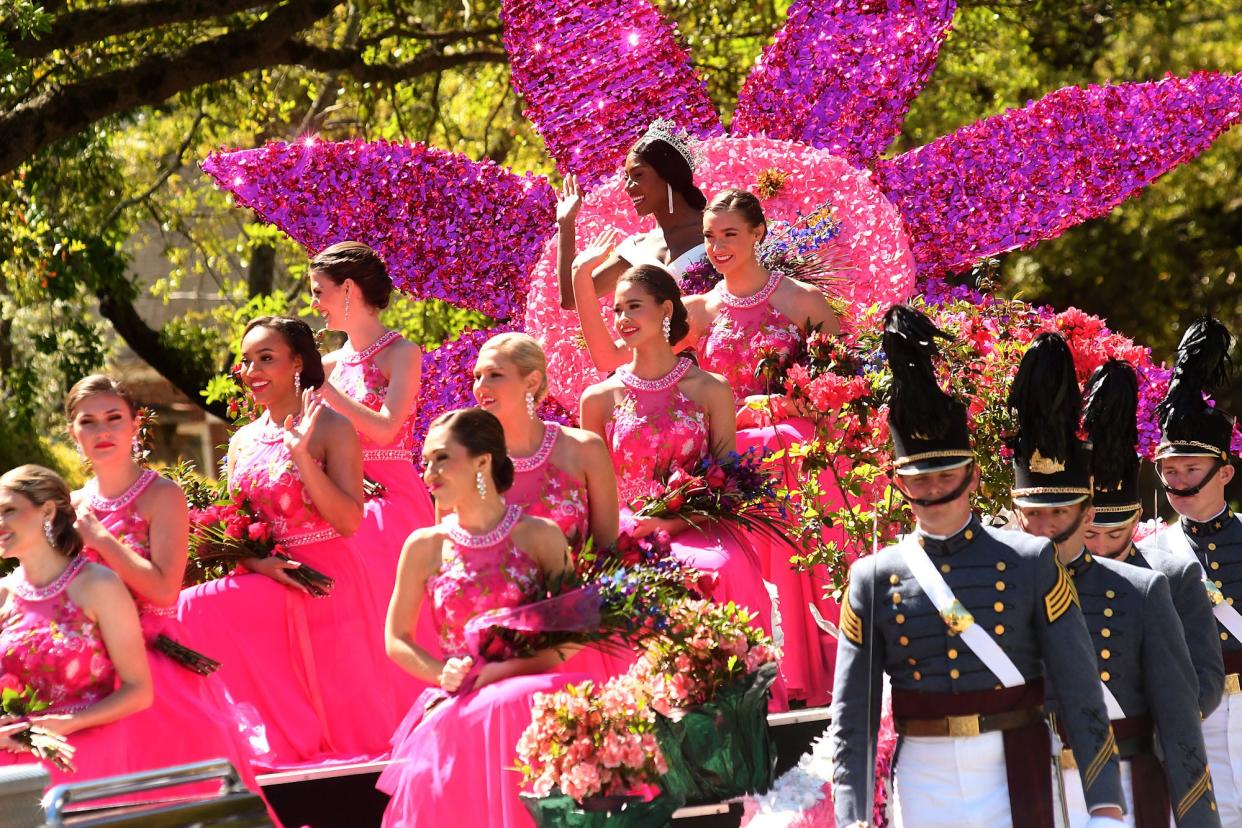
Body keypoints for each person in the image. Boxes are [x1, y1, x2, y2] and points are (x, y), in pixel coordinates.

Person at [829, 306, 1125, 828]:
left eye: (945, 476)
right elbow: (854, 716)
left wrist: (1102, 800)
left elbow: (1080, 691)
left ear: (970, 474)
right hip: (924, 774)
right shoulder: (873, 578)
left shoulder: (1031, 560)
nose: (933, 490)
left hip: (1014, 762)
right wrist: (851, 815)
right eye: (919, 480)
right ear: (899, 483)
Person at [1008, 334, 1216, 827]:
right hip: (1032, 783)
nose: (1049, 529)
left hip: (1127, 772)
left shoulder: (1148, 587)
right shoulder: (1000, 587)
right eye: (1036, 516)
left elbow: (1185, 706)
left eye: (1061, 514)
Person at [178, 316, 397, 769]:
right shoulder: (241, 441)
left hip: (326, 585)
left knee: (348, 725)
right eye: (246, 361)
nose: (252, 370)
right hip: (268, 584)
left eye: (266, 358)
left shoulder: (332, 428)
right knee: (190, 610)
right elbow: (234, 527)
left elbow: (350, 520)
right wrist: (259, 566)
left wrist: (302, 457)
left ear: (298, 363)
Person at [573, 254, 786, 709]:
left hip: (700, 525)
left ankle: (736, 705)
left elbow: (728, 480)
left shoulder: (710, 389)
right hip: (625, 532)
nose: (622, 319)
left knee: (721, 569)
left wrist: (672, 523)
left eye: (634, 306)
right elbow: (591, 491)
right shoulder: (598, 398)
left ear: (665, 310)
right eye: (617, 310)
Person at [65, 374, 272, 799]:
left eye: (114, 418)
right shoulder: (69, 506)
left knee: (176, 796)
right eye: (89, 422)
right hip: (87, 667)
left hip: (154, 661)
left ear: (135, 424)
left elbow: (164, 590)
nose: (102, 431)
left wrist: (102, 542)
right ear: (73, 432)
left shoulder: (162, 495)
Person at [378, 408, 587, 828]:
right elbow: (396, 638)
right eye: (425, 462)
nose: (429, 473)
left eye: (441, 458)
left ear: (482, 461)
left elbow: (576, 633)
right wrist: (443, 675)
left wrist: (506, 670)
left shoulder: (541, 535)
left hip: (533, 699)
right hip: (461, 706)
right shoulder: (423, 546)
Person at [310, 241, 438, 708]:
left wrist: (325, 391)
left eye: (319, 291)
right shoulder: (325, 365)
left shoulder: (402, 352)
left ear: (348, 290)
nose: (314, 304)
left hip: (393, 502)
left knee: (401, 615)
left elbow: (386, 429)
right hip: (340, 500)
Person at [1137, 316, 1242, 823]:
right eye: (1168, 471)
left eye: (1191, 470)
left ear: (1224, 471)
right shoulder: (1150, 553)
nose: (1178, 482)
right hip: (1195, 715)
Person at [1082, 359, 1223, 718]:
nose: (1100, 547)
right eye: (1090, 535)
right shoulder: (1048, 575)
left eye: (1114, 533)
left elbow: (1203, 674)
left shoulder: (1168, 573)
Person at [0, 465, 153, 786]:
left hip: (86, 760)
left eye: (9, 510)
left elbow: (140, 690)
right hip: (12, 772)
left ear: (48, 511)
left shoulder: (98, 584)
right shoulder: (3, 595)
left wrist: (70, 722)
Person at [555, 117, 709, 309]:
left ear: (669, 174)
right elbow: (571, 299)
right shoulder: (636, 249)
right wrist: (566, 223)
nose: (628, 187)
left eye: (638, 175)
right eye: (626, 178)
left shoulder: (716, 228)